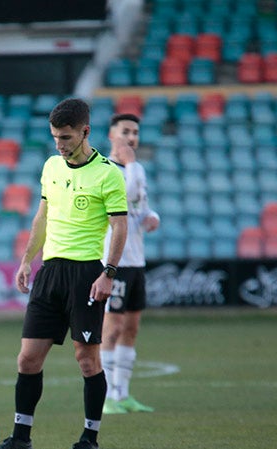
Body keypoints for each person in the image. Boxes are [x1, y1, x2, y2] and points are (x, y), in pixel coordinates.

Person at [0, 98, 127, 449]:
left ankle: (90, 440)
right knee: (27, 359)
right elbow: (42, 218)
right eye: (54, 138)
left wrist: (108, 273)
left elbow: (120, 226)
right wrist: (26, 260)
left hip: (86, 274)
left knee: (87, 359)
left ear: (85, 132)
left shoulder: (108, 173)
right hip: (50, 272)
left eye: (65, 138)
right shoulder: (51, 167)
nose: (59, 145)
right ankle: (21, 438)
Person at [101, 113, 160, 415]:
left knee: (131, 328)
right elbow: (126, 196)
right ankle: (107, 395)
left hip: (136, 259)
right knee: (112, 328)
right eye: (126, 131)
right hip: (114, 260)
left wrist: (153, 219)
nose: (132, 138)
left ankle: (123, 394)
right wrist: (132, 164)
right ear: (112, 135)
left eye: (136, 132)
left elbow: (142, 206)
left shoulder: (136, 170)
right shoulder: (105, 169)